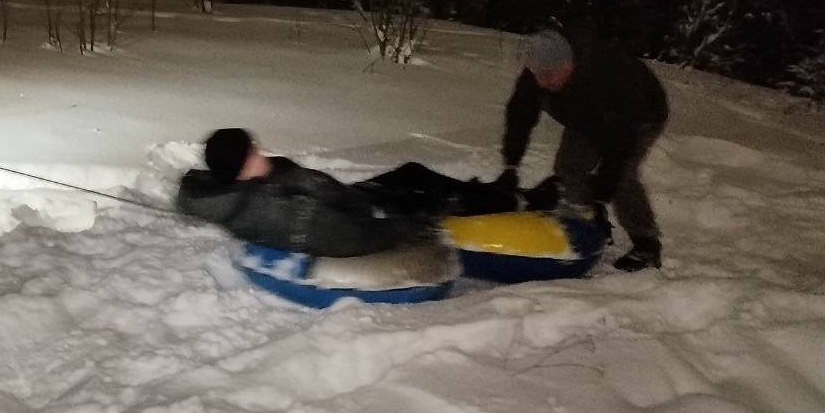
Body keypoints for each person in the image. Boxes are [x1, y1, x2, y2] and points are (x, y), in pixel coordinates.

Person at [176, 128, 559, 258]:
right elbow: (346, 236)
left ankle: (502, 194)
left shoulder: (252, 183)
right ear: (242, 168)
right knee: (433, 197)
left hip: (351, 200)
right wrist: (411, 227)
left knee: (411, 172)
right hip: (364, 216)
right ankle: (515, 204)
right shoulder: (273, 210)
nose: (262, 150)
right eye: (254, 150)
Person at [500, 28, 668, 271]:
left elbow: (622, 140)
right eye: (538, 75)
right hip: (585, 115)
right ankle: (587, 220)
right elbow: (520, 115)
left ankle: (646, 244)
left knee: (622, 177)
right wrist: (511, 165)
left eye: (549, 76)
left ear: (568, 64)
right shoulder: (538, 71)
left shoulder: (605, 73)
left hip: (639, 115)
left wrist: (606, 181)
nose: (542, 83)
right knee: (569, 166)